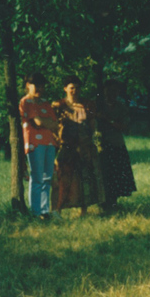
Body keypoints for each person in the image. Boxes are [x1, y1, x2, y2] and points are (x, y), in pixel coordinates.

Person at [52, 75, 105, 217]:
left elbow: (93, 126)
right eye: (71, 88)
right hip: (66, 146)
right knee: (63, 178)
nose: (75, 91)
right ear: (65, 89)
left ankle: (84, 210)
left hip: (84, 146)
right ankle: (57, 209)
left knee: (85, 178)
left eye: (77, 88)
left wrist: (90, 142)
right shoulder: (58, 105)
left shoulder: (88, 105)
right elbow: (53, 127)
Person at [19, 72, 58, 219]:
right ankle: (36, 212)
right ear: (28, 85)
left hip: (49, 143)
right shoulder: (26, 102)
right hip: (34, 144)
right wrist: (44, 122)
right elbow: (38, 122)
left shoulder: (45, 103)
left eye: (42, 86)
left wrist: (44, 122)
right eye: (37, 85)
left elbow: (55, 124)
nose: (40, 88)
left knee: (47, 177)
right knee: (37, 177)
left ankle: (44, 210)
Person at [97, 79, 136, 211]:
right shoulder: (98, 106)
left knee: (117, 175)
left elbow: (125, 127)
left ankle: (113, 202)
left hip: (116, 144)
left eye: (114, 91)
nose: (111, 94)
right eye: (108, 91)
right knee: (103, 175)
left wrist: (108, 120)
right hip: (100, 145)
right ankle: (102, 202)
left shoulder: (121, 107)